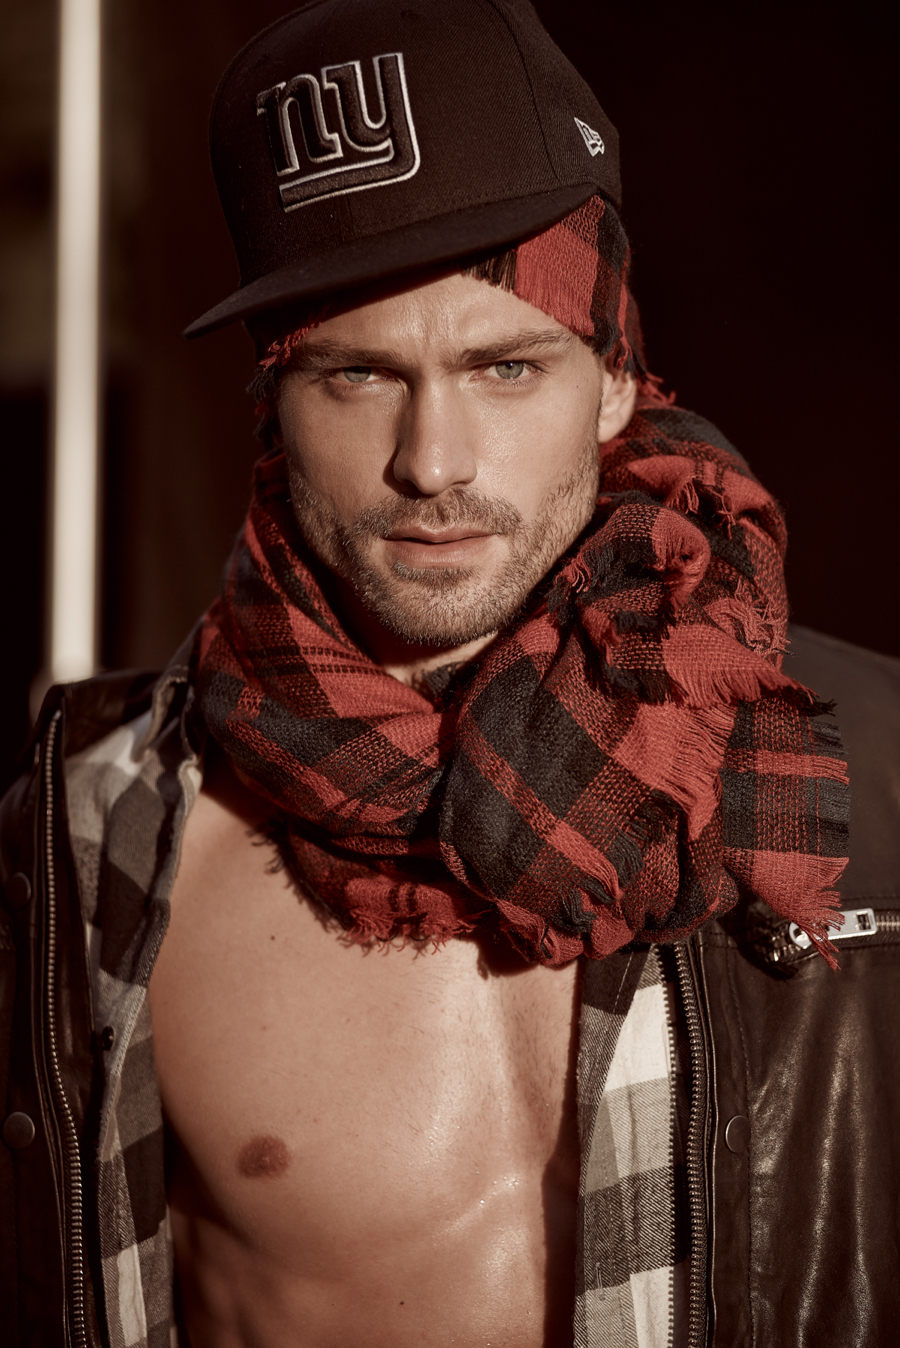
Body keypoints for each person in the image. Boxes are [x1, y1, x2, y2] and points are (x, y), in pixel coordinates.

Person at [1, 3, 898, 1346]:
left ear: (613, 381)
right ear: (272, 399)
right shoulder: (93, 850)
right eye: (359, 377)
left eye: (506, 366)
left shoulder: (869, 782)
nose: (433, 461)